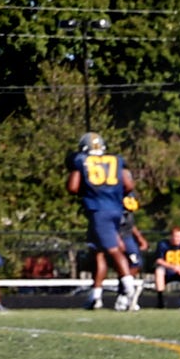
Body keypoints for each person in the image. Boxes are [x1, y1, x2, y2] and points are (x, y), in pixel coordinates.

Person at [67, 132, 139, 310]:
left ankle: (128, 287)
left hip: (99, 210)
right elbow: (129, 185)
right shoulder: (116, 159)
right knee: (99, 252)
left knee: (113, 250)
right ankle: (95, 295)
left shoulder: (81, 160)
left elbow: (72, 187)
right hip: (115, 208)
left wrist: (90, 189)